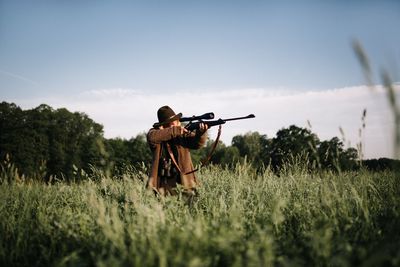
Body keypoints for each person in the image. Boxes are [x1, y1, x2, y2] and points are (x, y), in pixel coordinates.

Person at [146, 105, 208, 196]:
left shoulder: (182, 134)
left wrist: (201, 133)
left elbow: (197, 144)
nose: (174, 123)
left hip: (185, 182)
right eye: (170, 122)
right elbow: (151, 137)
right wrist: (175, 130)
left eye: (175, 120)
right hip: (164, 184)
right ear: (163, 125)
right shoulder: (156, 134)